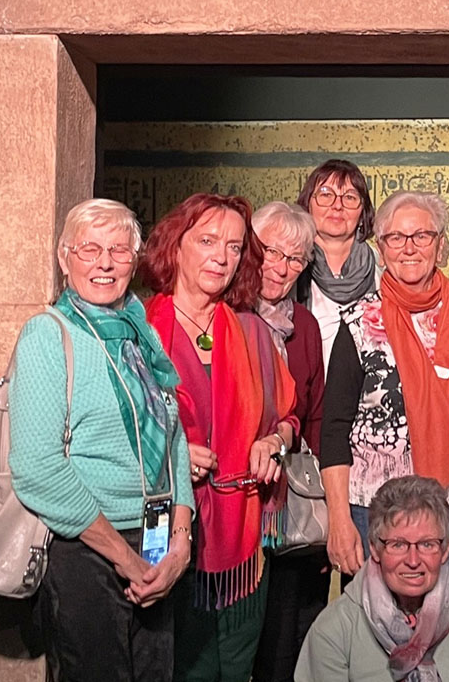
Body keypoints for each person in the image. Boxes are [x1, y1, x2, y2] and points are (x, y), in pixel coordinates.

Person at [8, 198, 194, 681]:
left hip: (154, 542)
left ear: (135, 260)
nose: (105, 263)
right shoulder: (48, 336)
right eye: (89, 249)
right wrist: (125, 559)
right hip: (87, 551)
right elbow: (38, 468)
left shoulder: (139, 332)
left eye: (119, 250)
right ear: (64, 257)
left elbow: (172, 437)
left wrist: (180, 544)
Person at [140, 193, 298, 682]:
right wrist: (172, 455)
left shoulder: (253, 331)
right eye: (207, 241)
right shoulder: (139, 331)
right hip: (163, 539)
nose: (222, 257)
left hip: (243, 548)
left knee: (237, 667)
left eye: (234, 247)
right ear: (176, 246)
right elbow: (114, 431)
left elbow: (288, 418)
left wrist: (273, 444)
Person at [320, 191, 449, 586]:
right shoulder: (358, 322)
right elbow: (334, 428)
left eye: (422, 236)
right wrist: (338, 517)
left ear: (440, 246)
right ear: (381, 248)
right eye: (396, 238)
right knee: (376, 624)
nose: (409, 248)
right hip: (376, 512)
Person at [294, 475, 449, 682]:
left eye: (427, 544)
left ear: (446, 548)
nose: (413, 560)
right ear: (374, 548)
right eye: (398, 545)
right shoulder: (334, 628)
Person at [249, 201, 331, 682]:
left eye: (295, 259)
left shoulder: (306, 326)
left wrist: (324, 510)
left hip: (289, 507)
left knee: (288, 645)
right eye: (271, 252)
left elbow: (315, 416)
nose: (281, 268)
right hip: (234, 500)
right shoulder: (221, 317)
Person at [295, 159, 379, 368]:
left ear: (363, 212)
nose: (337, 206)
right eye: (326, 194)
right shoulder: (289, 266)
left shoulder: (383, 267)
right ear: (307, 204)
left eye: (349, 197)